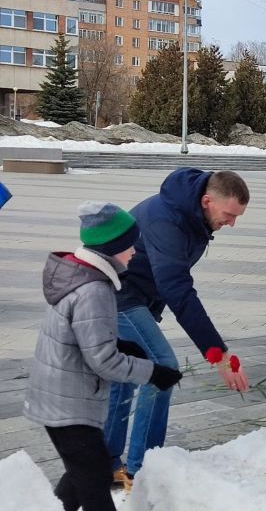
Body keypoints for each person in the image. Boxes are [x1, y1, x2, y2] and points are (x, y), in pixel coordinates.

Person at [23, 202, 183, 511]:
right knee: (95, 483)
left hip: (60, 397)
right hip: (68, 405)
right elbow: (103, 361)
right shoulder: (93, 289)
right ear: (113, 248)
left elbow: (84, 340)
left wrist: (126, 348)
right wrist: (153, 372)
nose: (135, 252)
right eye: (129, 246)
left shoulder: (79, 276)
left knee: (80, 477)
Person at [104, 168, 250, 488]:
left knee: (126, 378)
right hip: (112, 296)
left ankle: (105, 465)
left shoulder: (192, 214)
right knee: (163, 367)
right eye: (229, 214)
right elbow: (178, 289)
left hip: (127, 295)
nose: (232, 223)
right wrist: (219, 355)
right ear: (208, 200)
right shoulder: (167, 220)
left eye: (237, 216)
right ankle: (144, 469)